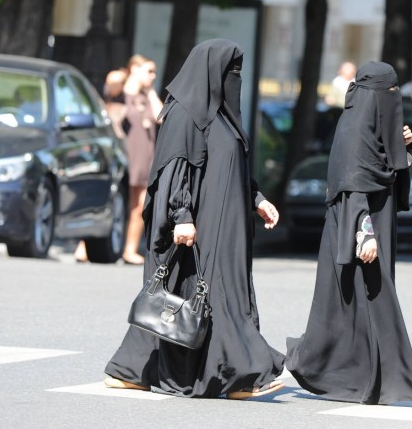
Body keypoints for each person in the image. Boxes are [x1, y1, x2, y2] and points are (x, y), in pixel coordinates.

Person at [103, 38, 285, 399]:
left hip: (225, 225)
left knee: (211, 298)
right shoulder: (185, 113)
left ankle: (220, 376)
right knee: (197, 298)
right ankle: (237, 377)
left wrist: (257, 198)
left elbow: (232, 167)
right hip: (195, 227)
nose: (236, 78)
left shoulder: (224, 116)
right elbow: (174, 169)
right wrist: (182, 216)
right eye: (231, 71)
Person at [286, 61, 412, 405]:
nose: (395, 99)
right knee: (362, 300)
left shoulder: (371, 125)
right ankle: (388, 379)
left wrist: (401, 146)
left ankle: (361, 375)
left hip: (373, 224)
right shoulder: (352, 131)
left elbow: (386, 170)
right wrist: (364, 232)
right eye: (390, 93)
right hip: (357, 226)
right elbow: (352, 183)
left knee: (363, 301)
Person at [74, 68, 129, 263]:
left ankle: (88, 243)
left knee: (107, 197)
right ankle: (83, 244)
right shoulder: (102, 102)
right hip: (103, 151)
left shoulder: (127, 102)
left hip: (118, 152)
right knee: (94, 194)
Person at [120, 54, 163, 265]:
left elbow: (161, 117)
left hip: (144, 158)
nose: (153, 76)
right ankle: (85, 247)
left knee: (138, 206)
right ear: (135, 69)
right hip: (125, 156)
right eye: (149, 71)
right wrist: (128, 79)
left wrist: (151, 91)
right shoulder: (121, 93)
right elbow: (112, 83)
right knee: (114, 199)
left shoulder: (146, 97)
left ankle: (130, 249)